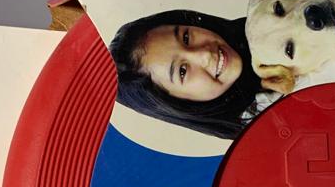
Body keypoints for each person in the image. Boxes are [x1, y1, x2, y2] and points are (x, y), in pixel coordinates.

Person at [109, 9, 266, 139]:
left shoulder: (269, 15)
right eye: (182, 71)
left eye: (186, 37)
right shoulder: (261, 137)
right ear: (180, 102)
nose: (204, 55)